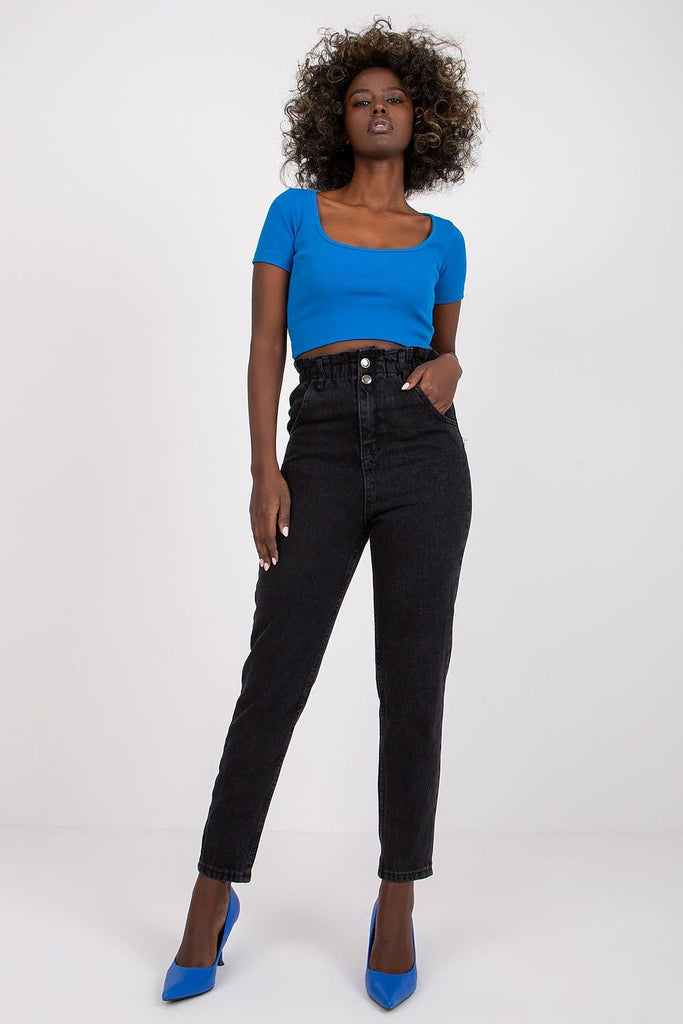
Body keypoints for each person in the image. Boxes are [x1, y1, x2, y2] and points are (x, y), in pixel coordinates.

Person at [162, 15, 482, 1009]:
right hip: (322, 442)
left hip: (423, 452)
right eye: (360, 99)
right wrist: (265, 468)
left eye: (395, 98)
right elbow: (265, 345)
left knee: (412, 682)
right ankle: (211, 894)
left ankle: (396, 898)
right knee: (276, 674)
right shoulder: (293, 214)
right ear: (335, 118)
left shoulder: (443, 239)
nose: (378, 109)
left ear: (421, 118)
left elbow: (441, 349)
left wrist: (450, 369)